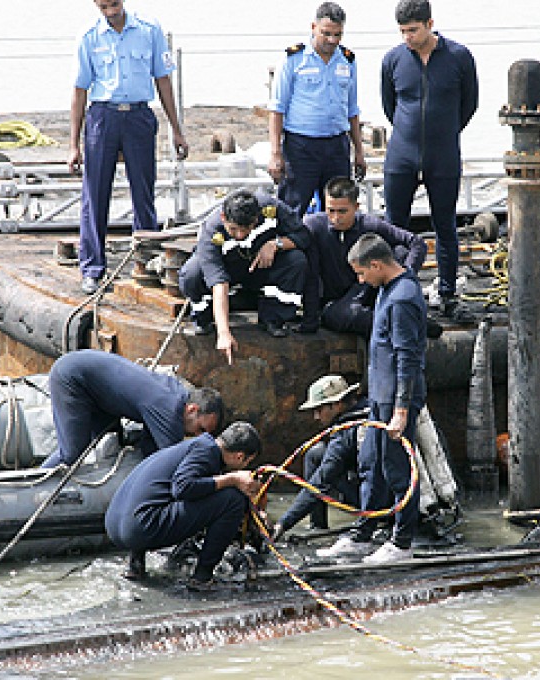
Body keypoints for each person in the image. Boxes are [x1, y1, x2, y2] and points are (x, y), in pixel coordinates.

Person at [318, 234, 426, 564]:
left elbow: (407, 358)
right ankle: (364, 532)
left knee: (397, 468)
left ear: (377, 265)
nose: (361, 281)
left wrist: (401, 411)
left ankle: (403, 541)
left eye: (362, 274)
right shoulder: (385, 292)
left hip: (396, 401)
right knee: (372, 464)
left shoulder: (402, 299)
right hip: (380, 396)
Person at [70, 0, 189, 295]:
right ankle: (92, 268)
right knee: (94, 195)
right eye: (103, 6)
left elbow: (163, 79)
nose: (110, 11)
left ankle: (147, 260)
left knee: (143, 191)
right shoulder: (88, 36)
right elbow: (79, 90)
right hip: (103, 115)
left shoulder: (149, 30)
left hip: (138, 115)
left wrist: (177, 129)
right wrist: (73, 144)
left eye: (114, 4)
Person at [380, 0, 478, 320]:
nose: (408, 37)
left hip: (443, 153)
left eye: (413, 30)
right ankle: (395, 288)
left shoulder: (458, 57)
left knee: (445, 225)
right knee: (395, 225)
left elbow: (469, 104)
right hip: (401, 154)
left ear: (430, 23)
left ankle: (447, 291)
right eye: (403, 31)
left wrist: (445, 131)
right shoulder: (393, 60)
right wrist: (410, 133)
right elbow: (389, 105)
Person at [105, 421, 262, 587]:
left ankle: (135, 566)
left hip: (115, 526)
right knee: (233, 500)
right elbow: (182, 488)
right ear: (239, 456)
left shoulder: (194, 446)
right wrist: (233, 479)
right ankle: (203, 577)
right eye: (247, 462)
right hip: (139, 528)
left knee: (159, 496)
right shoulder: (206, 452)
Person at [178, 189, 310, 362]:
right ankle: (204, 317)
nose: (240, 235)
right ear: (224, 218)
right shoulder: (211, 231)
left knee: (296, 260)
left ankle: (274, 317)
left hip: (259, 266)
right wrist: (224, 333)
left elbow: (303, 235)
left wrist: (276, 244)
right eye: (233, 230)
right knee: (192, 274)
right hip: (227, 269)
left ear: (255, 220)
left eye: (246, 229)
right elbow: (218, 283)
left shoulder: (272, 209)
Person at [41, 350, 224, 468]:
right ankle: (34, 481)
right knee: (72, 454)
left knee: (108, 435)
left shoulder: (176, 392)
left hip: (98, 390)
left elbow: (151, 445)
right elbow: (173, 462)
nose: (197, 436)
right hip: (73, 378)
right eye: (200, 429)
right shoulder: (169, 409)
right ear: (192, 409)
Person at [299, 176, 434, 337]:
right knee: (343, 316)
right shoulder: (315, 227)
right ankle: (402, 323)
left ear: (356, 207)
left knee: (399, 252)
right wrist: (310, 319)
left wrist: (404, 279)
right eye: (331, 211)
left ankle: (398, 315)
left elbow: (416, 243)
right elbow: (312, 275)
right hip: (338, 301)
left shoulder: (369, 225)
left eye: (342, 211)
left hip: (371, 289)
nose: (336, 218)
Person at [267, 2, 366, 217]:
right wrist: (275, 153)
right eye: (326, 33)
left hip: (337, 146)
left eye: (337, 35)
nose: (332, 40)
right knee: (292, 211)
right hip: (301, 147)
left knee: (339, 211)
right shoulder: (294, 59)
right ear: (313, 27)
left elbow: (352, 109)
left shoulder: (347, 60)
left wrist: (359, 151)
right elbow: (277, 108)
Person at [272, 375, 369, 540]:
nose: (316, 417)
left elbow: (321, 480)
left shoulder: (345, 433)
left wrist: (283, 523)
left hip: (375, 501)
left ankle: (368, 521)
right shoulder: (368, 409)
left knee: (323, 473)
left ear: (337, 405)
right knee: (316, 454)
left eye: (319, 410)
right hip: (383, 492)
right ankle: (318, 524)